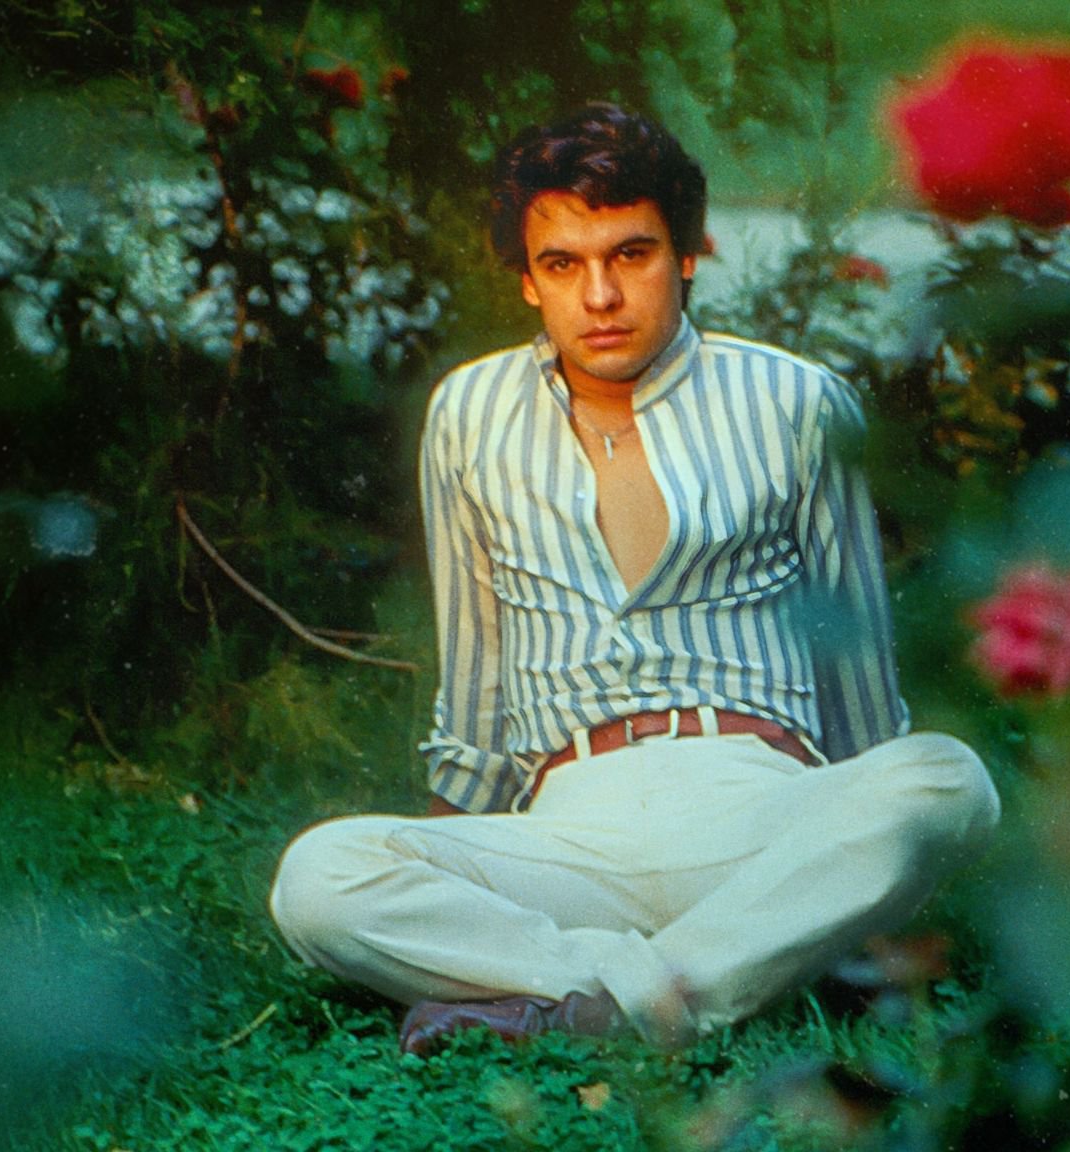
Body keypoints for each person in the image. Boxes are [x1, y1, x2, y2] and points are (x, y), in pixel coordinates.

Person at [269, 103, 1000, 1055]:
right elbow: (477, 687)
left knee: (947, 780)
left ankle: (577, 994)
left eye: (632, 254)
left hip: (764, 812)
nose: (600, 296)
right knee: (318, 877)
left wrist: (867, 858)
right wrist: (450, 869)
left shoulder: (798, 403)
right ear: (527, 279)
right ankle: (688, 980)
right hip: (571, 835)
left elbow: (857, 680)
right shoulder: (469, 413)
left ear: (687, 255)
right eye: (562, 264)